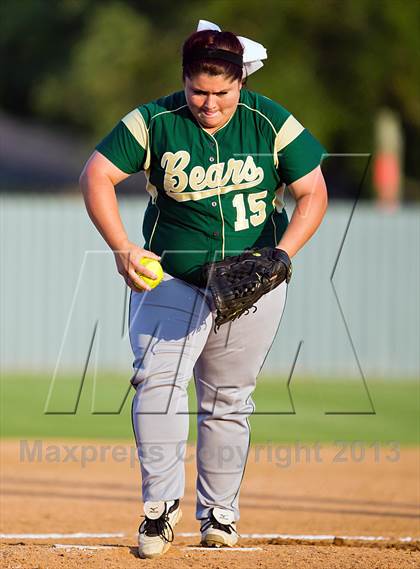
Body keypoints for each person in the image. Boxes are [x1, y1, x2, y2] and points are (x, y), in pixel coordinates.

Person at [79, 20, 328, 559]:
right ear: (184, 80)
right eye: (198, 91)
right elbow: (95, 175)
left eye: (221, 92)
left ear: (241, 82)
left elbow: (313, 192)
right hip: (172, 275)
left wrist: (282, 255)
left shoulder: (269, 121)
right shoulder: (155, 120)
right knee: (157, 385)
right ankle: (158, 511)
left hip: (250, 280)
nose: (209, 103)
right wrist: (124, 247)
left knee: (228, 401)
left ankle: (219, 515)